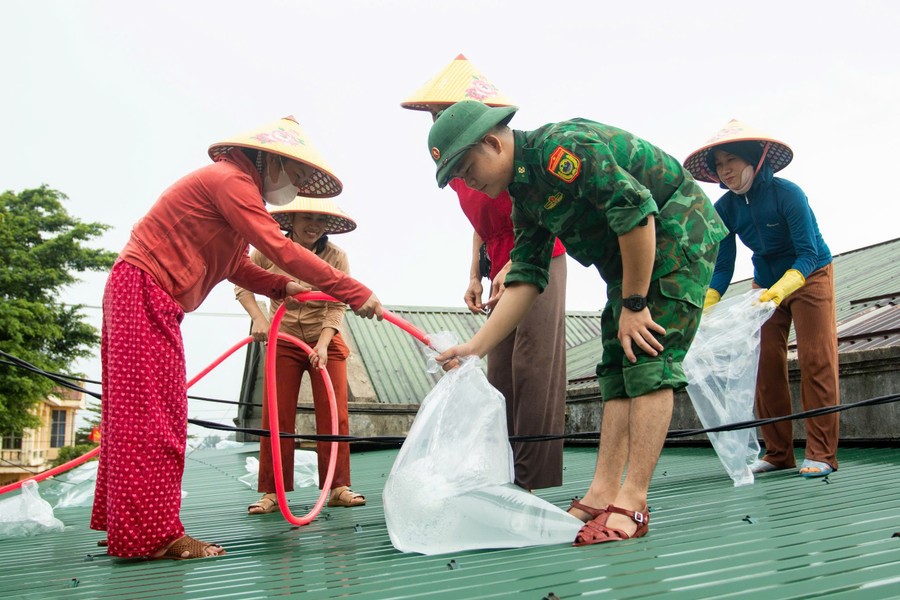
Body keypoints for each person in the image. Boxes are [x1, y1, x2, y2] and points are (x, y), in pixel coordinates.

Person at [426, 101, 728, 545]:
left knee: (647, 360)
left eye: (468, 169)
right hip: (629, 266)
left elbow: (636, 213)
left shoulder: (560, 150)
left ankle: (633, 501)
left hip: (676, 236)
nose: (468, 182)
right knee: (615, 370)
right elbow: (526, 277)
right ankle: (603, 491)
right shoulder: (524, 196)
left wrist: (636, 302)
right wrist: (476, 347)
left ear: (492, 142)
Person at [90, 116, 383, 561]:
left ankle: (134, 527)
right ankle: (153, 535)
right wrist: (354, 290)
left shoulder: (233, 192)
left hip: (146, 294)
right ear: (271, 161)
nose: (297, 187)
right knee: (155, 419)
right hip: (144, 289)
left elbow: (236, 265)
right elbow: (281, 249)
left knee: (148, 413)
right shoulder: (231, 181)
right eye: (297, 176)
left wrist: (282, 287)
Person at [401, 54, 568, 490]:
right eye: (436, 115)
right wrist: (475, 274)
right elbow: (480, 227)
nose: (441, 119)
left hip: (540, 253)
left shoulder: (503, 157)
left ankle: (534, 476)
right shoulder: (460, 171)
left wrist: (515, 264)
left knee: (533, 363)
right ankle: (506, 470)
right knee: (501, 371)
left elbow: (535, 217)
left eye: (448, 111)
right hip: (498, 261)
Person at [684, 119, 839, 478]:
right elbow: (722, 268)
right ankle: (778, 452)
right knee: (763, 365)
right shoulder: (724, 209)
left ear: (755, 158)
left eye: (731, 161)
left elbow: (809, 252)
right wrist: (706, 301)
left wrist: (786, 287)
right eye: (719, 165)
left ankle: (822, 453)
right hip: (764, 285)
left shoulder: (788, 194)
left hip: (811, 276)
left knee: (817, 359)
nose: (725, 171)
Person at [236, 197, 366, 514]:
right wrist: (259, 318)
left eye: (320, 220)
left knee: (334, 412)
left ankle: (338, 487)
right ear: (291, 219)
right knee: (276, 415)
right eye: (306, 217)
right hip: (285, 338)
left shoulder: (337, 256)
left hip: (326, 337)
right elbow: (242, 283)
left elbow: (338, 304)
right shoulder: (269, 249)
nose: (313, 225)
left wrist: (322, 345)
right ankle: (271, 491)